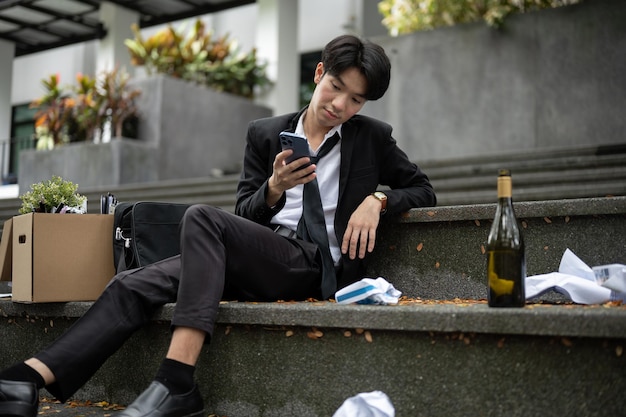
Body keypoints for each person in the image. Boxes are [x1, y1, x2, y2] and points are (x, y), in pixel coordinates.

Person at [0, 34, 436, 417]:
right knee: (132, 282)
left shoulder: (372, 138)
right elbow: (244, 213)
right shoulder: (266, 134)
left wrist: (377, 200)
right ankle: (26, 380)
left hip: (312, 264)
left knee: (202, 218)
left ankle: (176, 379)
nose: (341, 105)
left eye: (356, 100)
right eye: (336, 88)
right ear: (320, 73)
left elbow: (422, 189)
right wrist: (272, 188)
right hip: (256, 251)